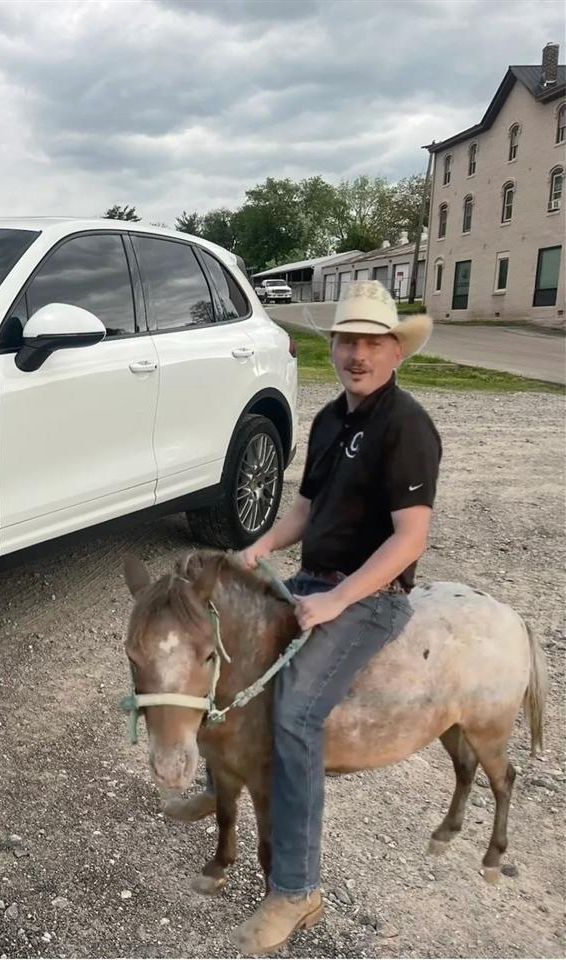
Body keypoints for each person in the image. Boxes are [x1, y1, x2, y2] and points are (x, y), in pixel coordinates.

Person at [168, 281, 443, 955]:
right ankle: (219, 781)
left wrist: (338, 600)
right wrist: (258, 549)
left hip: (369, 597)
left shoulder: (406, 427)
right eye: (348, 341)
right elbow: (307, 510)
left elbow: (409, 540)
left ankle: (297, 889)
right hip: (315, 579)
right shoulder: (328, 420)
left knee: (292, 715)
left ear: (394, 352)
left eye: (372, 343)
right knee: (219, 645)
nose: (357, 354)